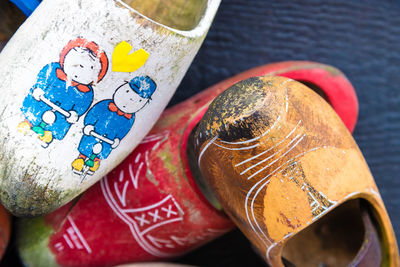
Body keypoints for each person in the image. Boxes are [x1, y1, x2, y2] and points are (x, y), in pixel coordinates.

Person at [18, 37, 109, 147]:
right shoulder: (53, 69)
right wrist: (38, 89)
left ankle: (47, 137)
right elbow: (42, 77)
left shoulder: (86, 93)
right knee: (33, 111)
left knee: (56, 126)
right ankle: (27, 122)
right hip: (41, 103)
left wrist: (74, 114)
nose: (80, 70)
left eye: (90, 68)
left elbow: (82, 106)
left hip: (60, 116)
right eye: (79, 64)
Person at [72, 76, 156, 174]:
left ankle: (95, 163)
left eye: (139, 100)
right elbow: (93, 113)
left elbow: (125, 130)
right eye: (128, 92)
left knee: (102, 152)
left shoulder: (130, 118)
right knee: (86, 147)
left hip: (109, 140)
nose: (131, 100)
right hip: (94, 132)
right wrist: (88, 125)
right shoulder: (105, 104)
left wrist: (117, 139)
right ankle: (80, 160)